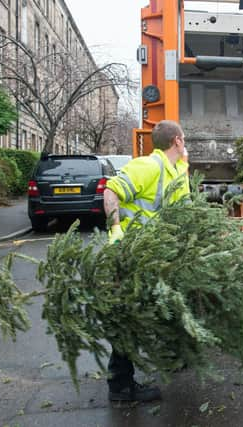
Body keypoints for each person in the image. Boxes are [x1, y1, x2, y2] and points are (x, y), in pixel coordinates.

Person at [102, 119, 190, 401]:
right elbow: (110, 192)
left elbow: (182, 209)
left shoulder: (174, 170)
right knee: (130, 316)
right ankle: (121, 387)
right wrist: (116, 231)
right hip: (134, 254)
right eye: (184, 139)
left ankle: (171, 356)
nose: (185, 142)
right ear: (176, 140)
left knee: (165, 304)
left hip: (159, 255)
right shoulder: (148, 166)